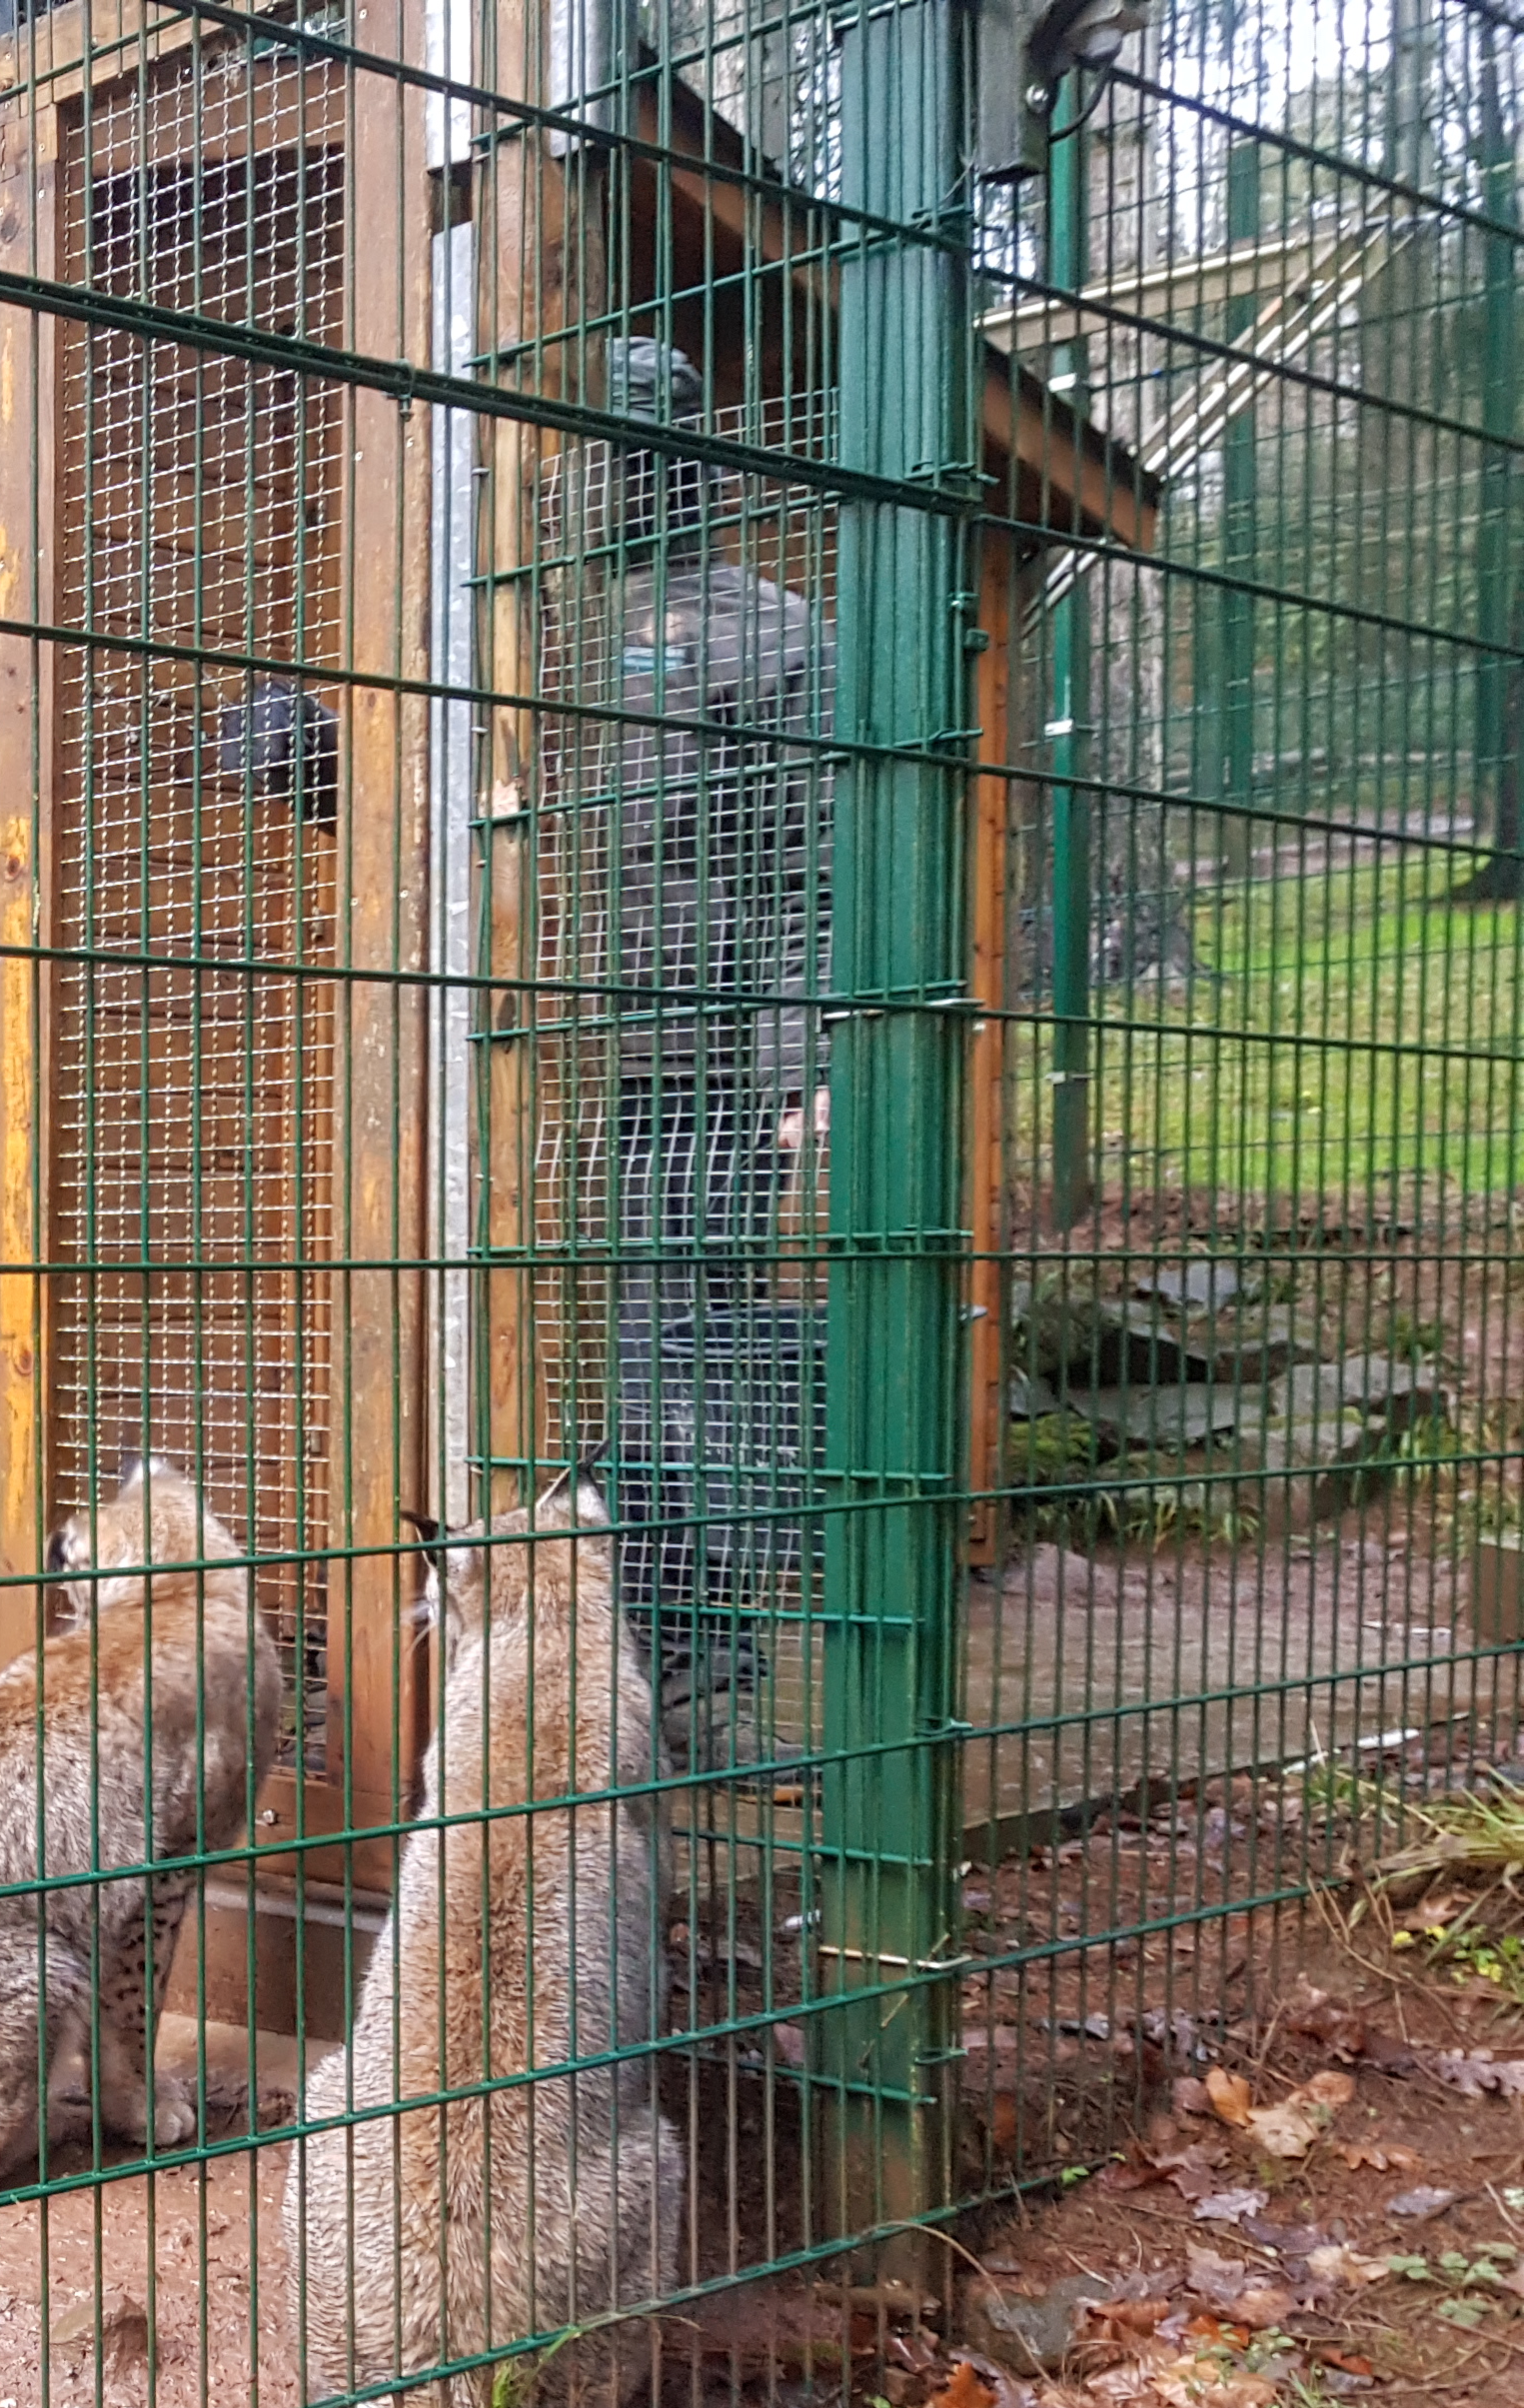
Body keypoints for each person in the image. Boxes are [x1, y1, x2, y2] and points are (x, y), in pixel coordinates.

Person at [585, 339, 832, 1765]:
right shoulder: (510, 612)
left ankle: (692, 1676)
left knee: (675, 1364)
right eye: (610, 445)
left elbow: (814, 865)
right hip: (503, 1058)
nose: (629, 475)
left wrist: (797, 1070)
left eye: (653, 446)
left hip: (688, 1069)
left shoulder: (767, 634)